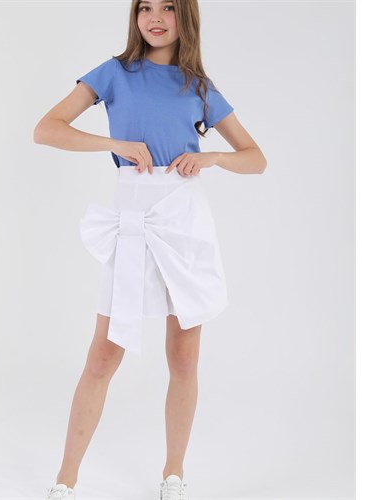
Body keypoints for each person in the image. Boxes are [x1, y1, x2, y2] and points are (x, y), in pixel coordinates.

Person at [34, 1, 267, 499]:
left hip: (184, 221)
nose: (155, 17)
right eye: (145, 7)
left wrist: (214, 158)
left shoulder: (199, 87)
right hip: (133, 217)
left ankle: (173, 475)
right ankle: (65, 480)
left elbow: (256, 158)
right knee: (103, 355)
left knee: (183, 356)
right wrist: (114, 145)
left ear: (186, 17)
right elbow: (46, 128)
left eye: (168, 7)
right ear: (135, 16)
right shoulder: (114, 73)